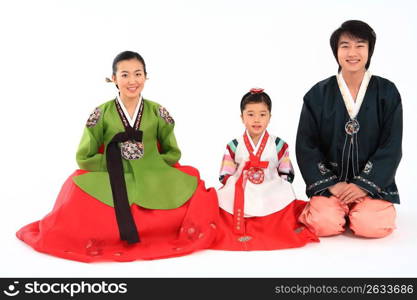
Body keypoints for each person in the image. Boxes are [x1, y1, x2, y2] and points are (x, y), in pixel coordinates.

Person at [17, 51, 219, 262]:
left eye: (137, 74)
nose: (132, 81)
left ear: (146, 76)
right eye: (125, 75)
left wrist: (153, 165)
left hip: (152, 172)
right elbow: (85, 155)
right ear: (114, 78)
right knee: (76, 191)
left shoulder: (158, 112)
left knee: (192, 183)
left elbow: (172, 152)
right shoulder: (101, 113)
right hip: (113, 172)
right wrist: (114, 165)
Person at [296, 20, 402, 238]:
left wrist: (363, 185)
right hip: (331, 186)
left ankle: (362, 210)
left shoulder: (387, 92)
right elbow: (306, 145)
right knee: (323, 224)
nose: (352, 52)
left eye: (360, 45)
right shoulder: (317, 95)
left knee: (370, 226)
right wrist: (332, 185)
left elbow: (391, 146)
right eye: (345, 46)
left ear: (369, 50)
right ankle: (335, 209)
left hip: (374, 187)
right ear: (336, 51)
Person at [210, 88, 318, 251]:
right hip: (242, 187)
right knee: (223, 198)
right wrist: (232, 185)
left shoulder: (278, 144)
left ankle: (273, 222)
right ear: (242, 117)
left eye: (262, 114)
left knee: (281, 194)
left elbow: (286, 171)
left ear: (269, 117)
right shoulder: (234, 144)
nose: (257, 120)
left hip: (269, 186)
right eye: (250, 114)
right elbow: (226, 172)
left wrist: (279, 185)